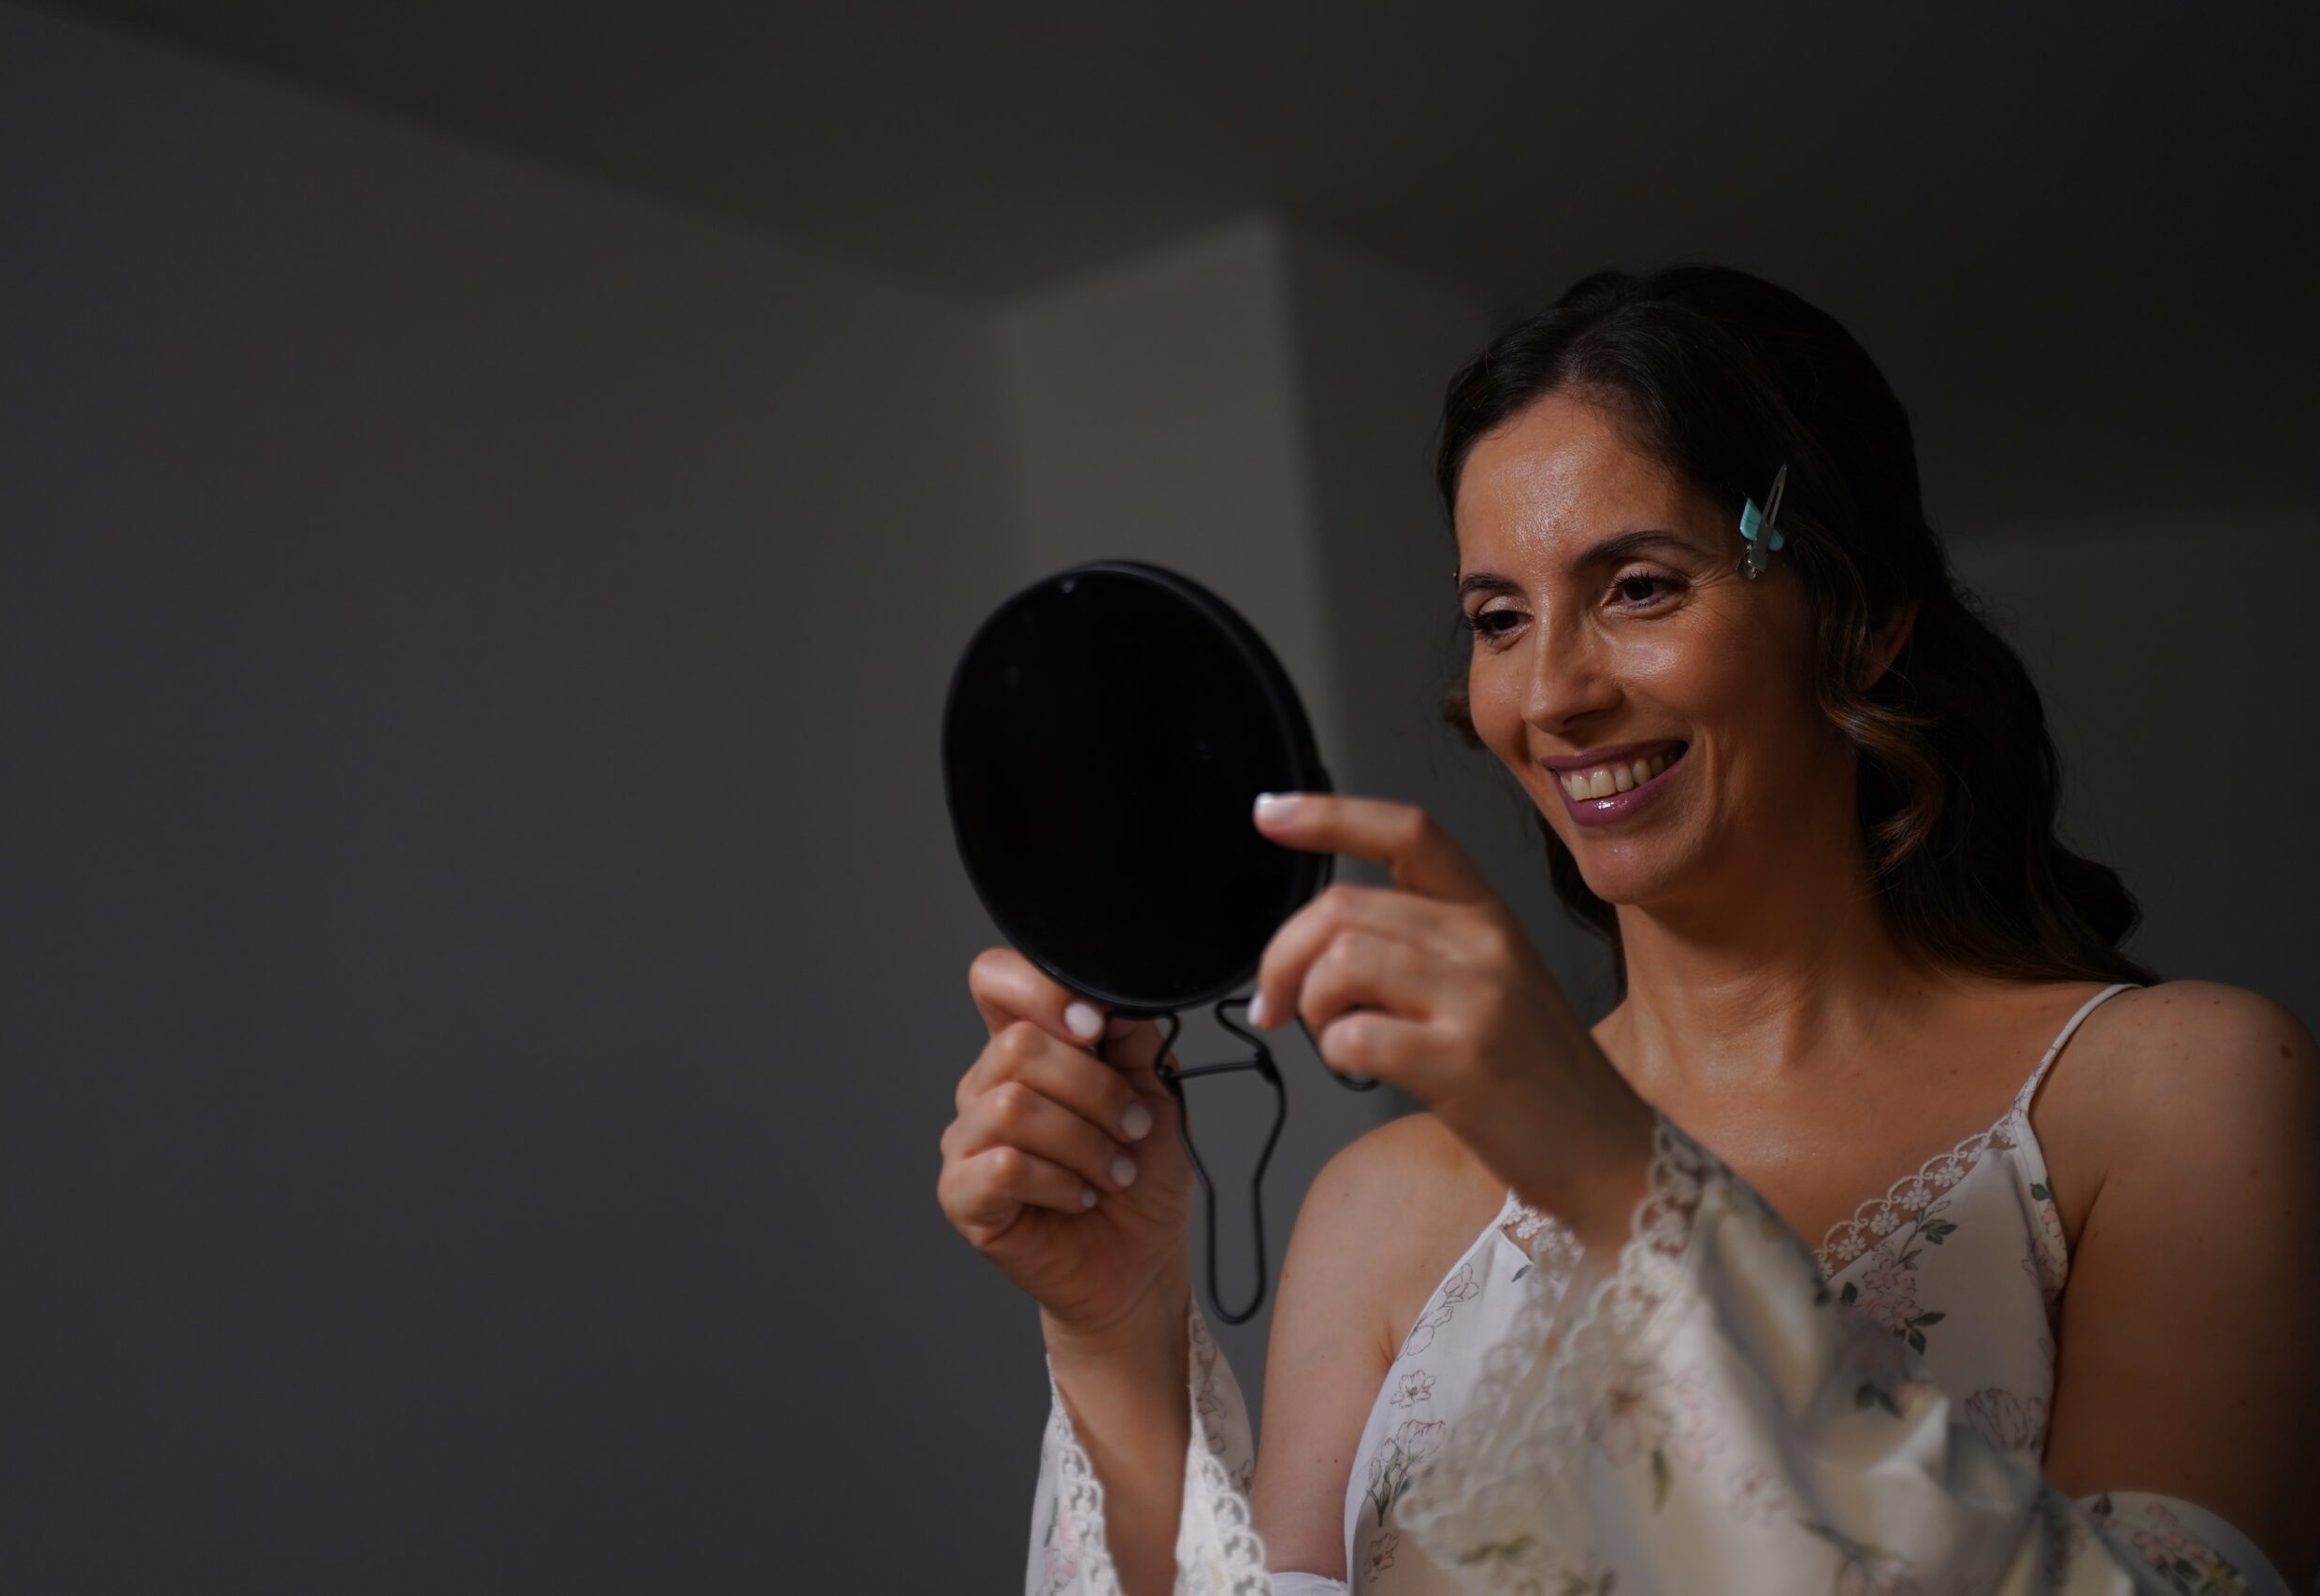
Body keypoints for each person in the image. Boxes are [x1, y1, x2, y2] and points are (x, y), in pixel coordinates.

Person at [934, 264, 2319, 1595]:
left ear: (1863, 621)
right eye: (1498, 617)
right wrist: (1114, 1333)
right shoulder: (1382, 1211)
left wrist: (1611, 1170)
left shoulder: (2170, 1095)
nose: (1551, 695)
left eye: (1641, 587)